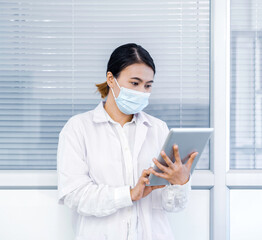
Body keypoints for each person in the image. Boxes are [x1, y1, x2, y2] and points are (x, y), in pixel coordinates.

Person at [57, 43, 198, 240]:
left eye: (148, 85)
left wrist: (180, 182)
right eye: (135, 83)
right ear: (110, 79)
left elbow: (173, 206)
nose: (142, 91)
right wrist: (129, 194)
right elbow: (74, 195)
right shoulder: (79, 128)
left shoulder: (158, 129)